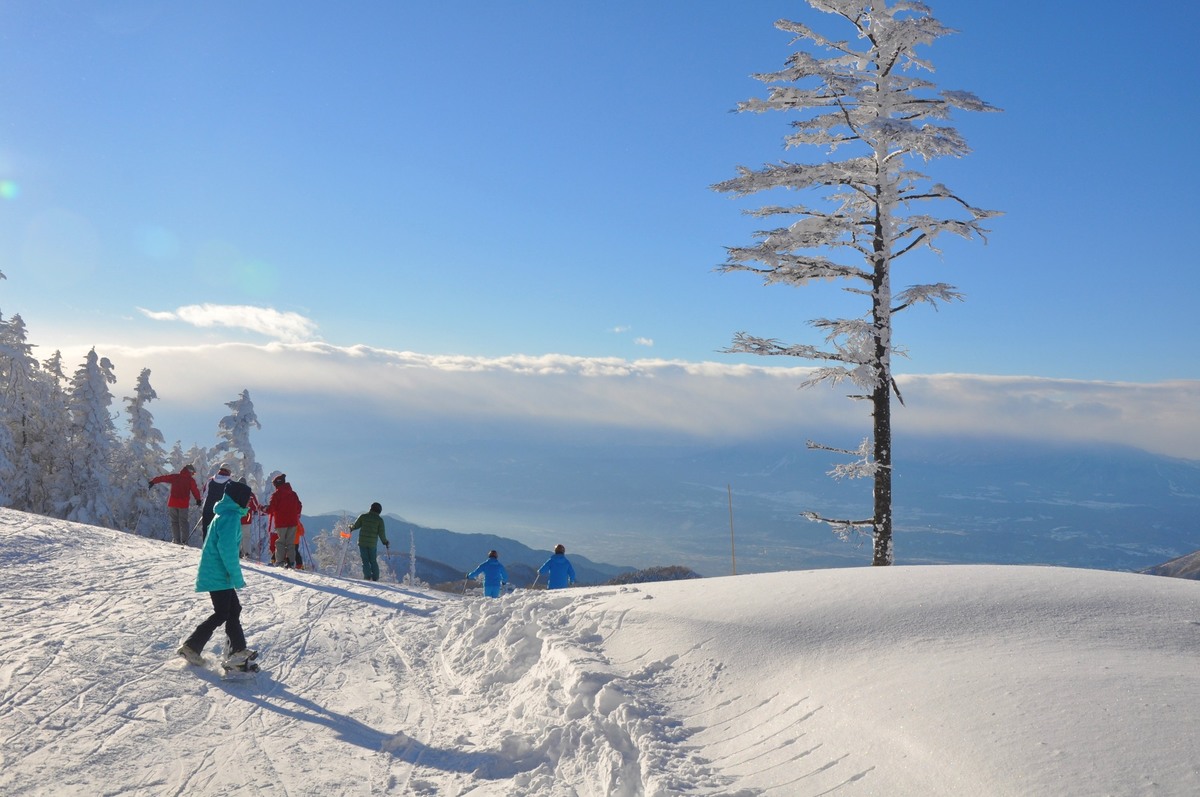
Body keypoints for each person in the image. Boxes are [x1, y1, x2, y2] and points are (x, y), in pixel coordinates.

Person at [177, 480, 256, 668]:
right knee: (222, 613)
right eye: (246, 500)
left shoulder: (227, 514)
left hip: (219, 574)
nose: (248, 503)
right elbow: (227, 550)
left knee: (232, 610)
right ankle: (192, 647)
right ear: (238, 499)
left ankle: (235, 652)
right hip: (219, 575)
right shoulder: (229, 517)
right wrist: (236, 577)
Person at [150, 464, 201, 545]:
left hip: (172, 503)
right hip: (183, 505)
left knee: (174, 522)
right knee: (183, 522)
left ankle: (176, 540)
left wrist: (153, 481)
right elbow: (195, 490)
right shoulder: (190, 480)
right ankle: (184, 541)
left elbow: (163, 478)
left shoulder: (175, 477)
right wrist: (198, 499)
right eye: (193, 473)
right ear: (190, 471)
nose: (192, 474)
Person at [265, 472, 302, 569]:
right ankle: (291, 562)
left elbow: (271, 509)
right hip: (293, 522)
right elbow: (299, 506)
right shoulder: (293, 494)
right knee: (291, 543)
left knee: (280, 542)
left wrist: (263, 509)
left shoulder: (276, 494)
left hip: (281, 523)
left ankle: (280, 561)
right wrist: (296, 514)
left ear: (277, 484)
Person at [351, 502, 390, 581]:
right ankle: (375, 578)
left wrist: (350, 527)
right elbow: (381, 534)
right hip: (372, 544)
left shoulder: (363, 516)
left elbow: (355, 526)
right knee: (373, 561)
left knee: (365, 560)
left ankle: (367, 577)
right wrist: (385, 542)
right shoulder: (379, 520)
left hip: (362, 543)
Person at [199, 464, 232, 541]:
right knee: (219, 531)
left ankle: (206, 548)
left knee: (207, 529)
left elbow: (204, 494)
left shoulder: (210, 480)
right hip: (221, 510)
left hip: (208, 507)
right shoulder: (229, 483)